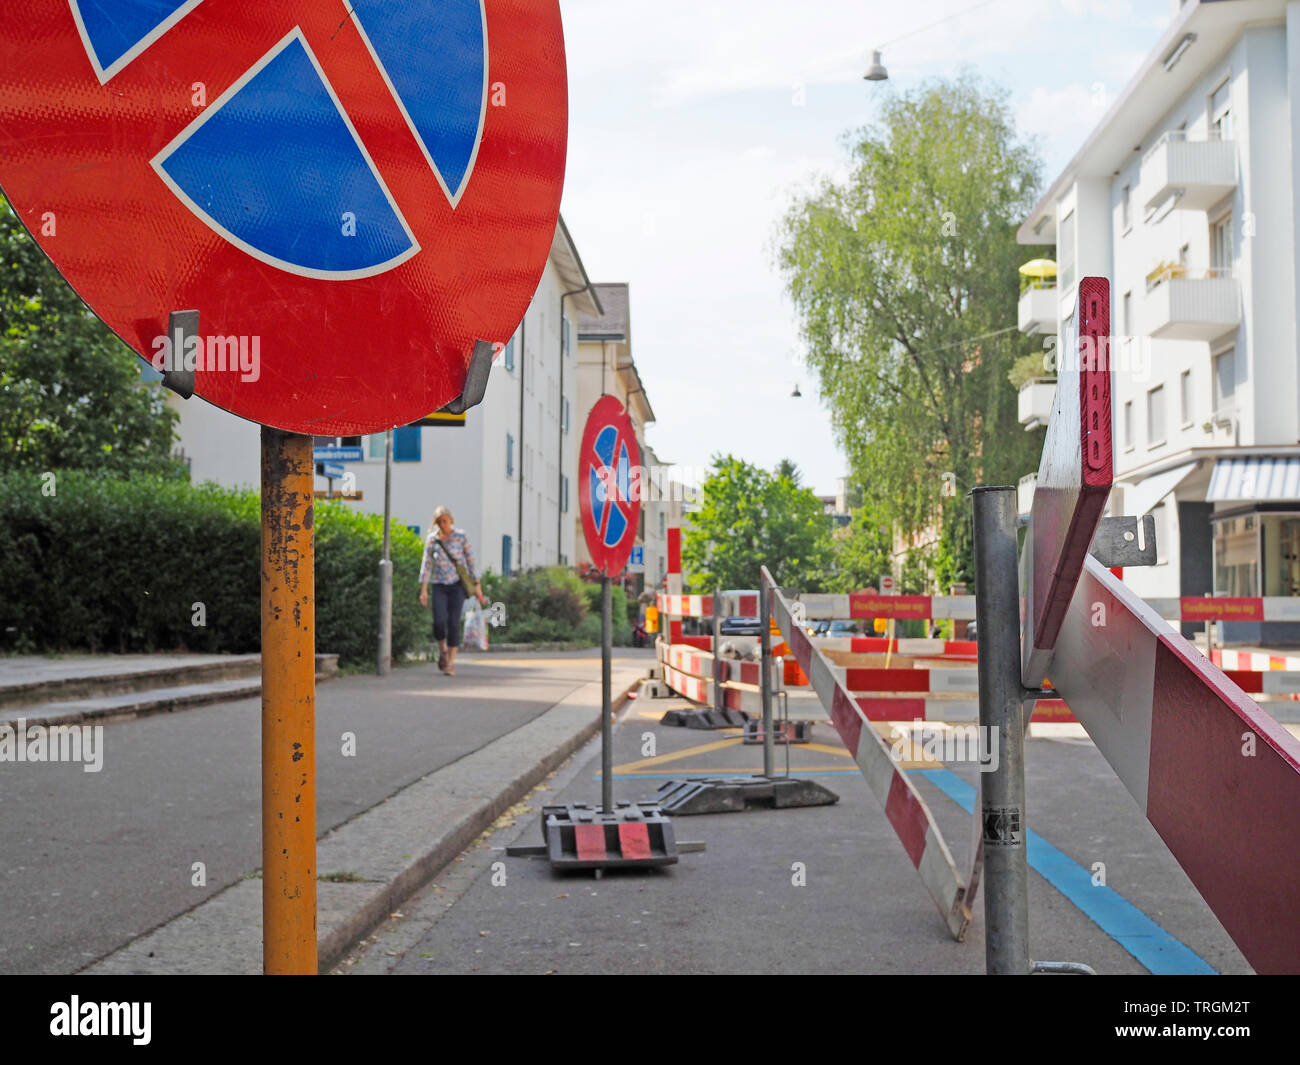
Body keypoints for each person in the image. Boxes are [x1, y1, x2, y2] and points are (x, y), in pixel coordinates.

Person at [418, 507, 485, 676]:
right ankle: (443, 651)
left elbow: (470, 561)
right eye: (439, 522)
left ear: (451, 520)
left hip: (457, 586)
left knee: (453, 622)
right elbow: (426, 565)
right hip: (439, 584)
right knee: (439, 621)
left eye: (445, 521)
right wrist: (424, 590)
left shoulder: (460, 536)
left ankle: (450, 663)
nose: (443, 525)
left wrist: (477, 585)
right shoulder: (432, 540)